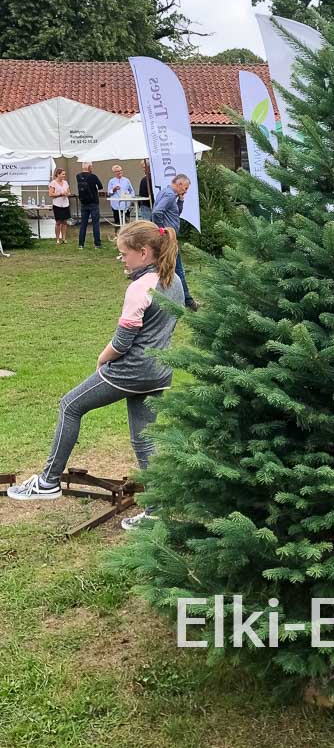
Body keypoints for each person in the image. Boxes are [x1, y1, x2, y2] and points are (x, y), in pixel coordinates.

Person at [7, 221, 184, 530]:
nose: (121, 260)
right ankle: (156, 512)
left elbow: (122, 343)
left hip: (130, 371)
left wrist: (102, 359)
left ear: (144, 253)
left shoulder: (139, 288)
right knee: (144, 440)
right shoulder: (174, 281)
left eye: (124, 254)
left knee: (70, 405)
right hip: (159, 372)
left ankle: (47, 482)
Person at [151, 174, 198, 311]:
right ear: (179, 184)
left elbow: (175, 214)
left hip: (167, 238)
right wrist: (162, 231)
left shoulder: (166, 193)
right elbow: (156, 212)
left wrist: (181, 201)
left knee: (167, 268)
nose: (186, 191)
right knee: (178, 270)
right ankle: (188, 301)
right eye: (185, 188)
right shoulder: (170, 195)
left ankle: (174, 299)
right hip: (169, 239)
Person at [76, 161, 104, 249]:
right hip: (93, 202)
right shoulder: (93, 176)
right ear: (89, 167)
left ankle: (81, 244)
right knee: (95, 223)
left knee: (83, 224)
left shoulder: (78, 176)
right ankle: (97, 244)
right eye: (91, 167)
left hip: (83, 202)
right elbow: (100, 186)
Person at [48, 168, 71, 245]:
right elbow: (51, 194)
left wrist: (67, 194)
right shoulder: (53, 183)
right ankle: (57, 239)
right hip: (57, 205)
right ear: (58, 174)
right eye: (63, 174)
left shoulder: (65, 182)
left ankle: (64, 238)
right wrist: (60, 194)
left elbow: (69, 192)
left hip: (65, 204)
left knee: (64, 222)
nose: (64, 175)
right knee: (58, 222)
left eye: (64, 174)